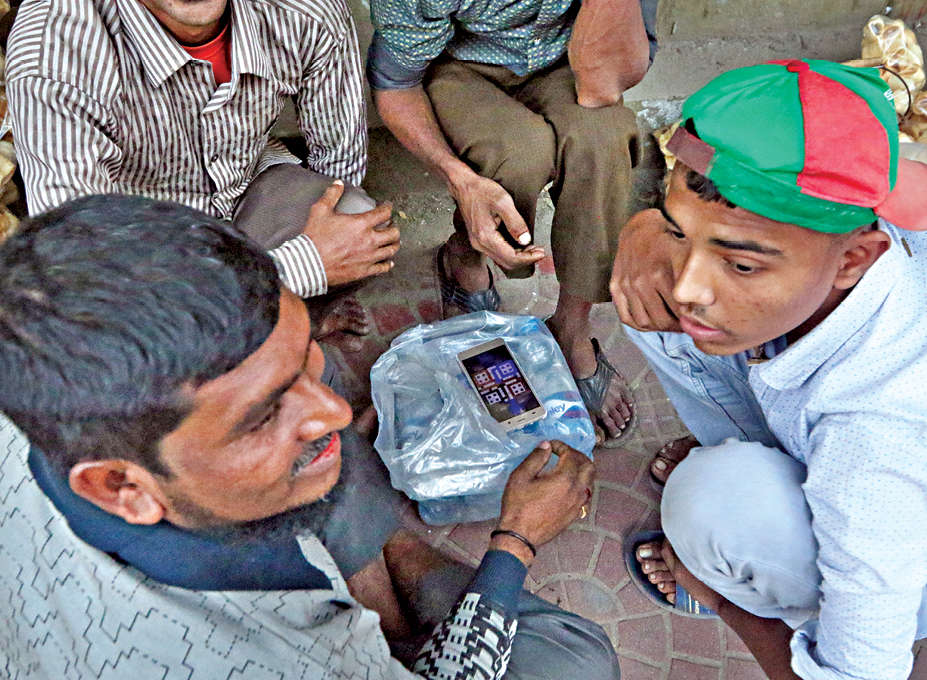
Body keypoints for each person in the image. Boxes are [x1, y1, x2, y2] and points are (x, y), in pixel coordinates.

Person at [0, 194, 621, 679]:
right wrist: (516, 540)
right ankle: (391, 580)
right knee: (576, 661)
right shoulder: (269, 660)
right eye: (261, 415)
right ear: (122, 487)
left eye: (302, 352)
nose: (335, 412)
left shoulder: (44, 389)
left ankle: (382, 561)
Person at [610, 59, 927, 678]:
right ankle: (755, 457)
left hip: (907, 556)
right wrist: (645, 231)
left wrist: (721, 599)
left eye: (742, 265)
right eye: (683, 231)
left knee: (713, 503)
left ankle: (759, 583)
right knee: (648, 292)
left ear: (854, 260)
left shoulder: (876, 442)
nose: (690, 287)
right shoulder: (859, 192)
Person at [6, 0, 400, 341]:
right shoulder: (52, 52)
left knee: (358, 223)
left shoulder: (306, 9)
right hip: (143, 237)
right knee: (140, 352)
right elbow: (88, 278)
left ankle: (299, 323)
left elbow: (339, 157)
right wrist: (304, 266)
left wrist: (331, 251)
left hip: (244, 185)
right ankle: (246, 341)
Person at [366, 0, 657, 442]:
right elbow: (396, 85)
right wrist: (462, 181)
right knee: (517, 153)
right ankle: (464, 259)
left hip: (568, 58)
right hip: (462, 66)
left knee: (605, 137)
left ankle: (572, 328)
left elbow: (607, 83)